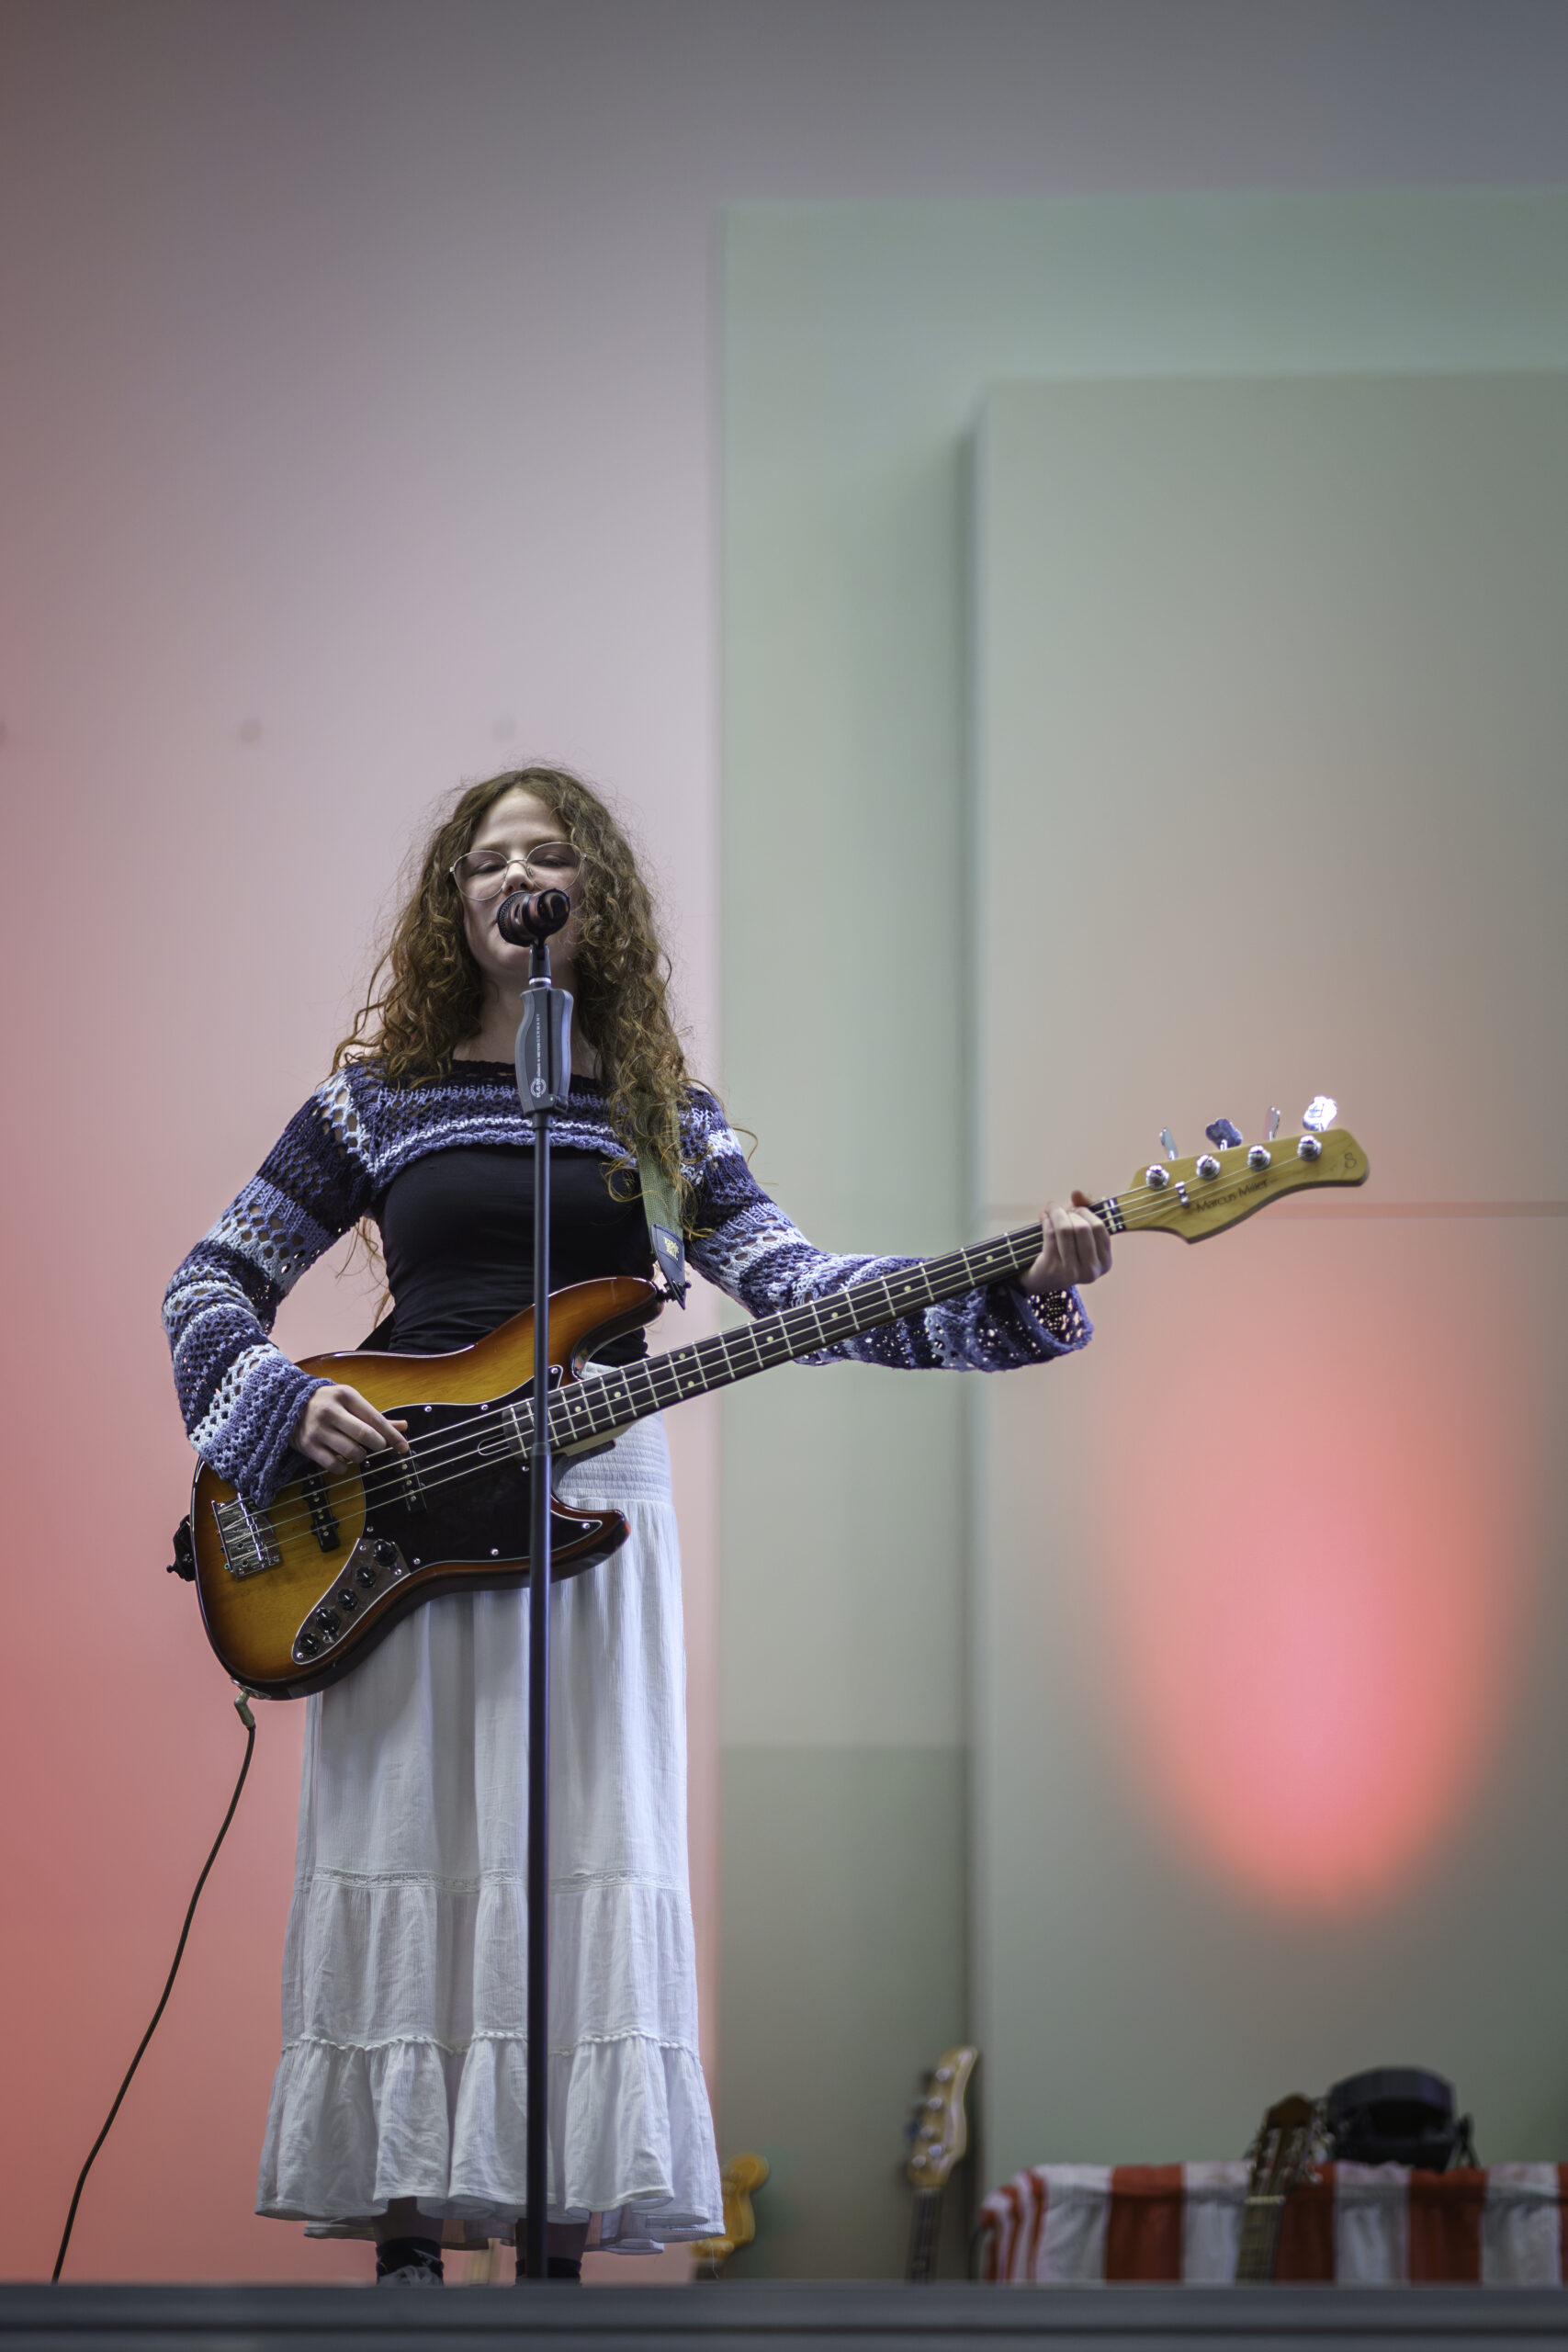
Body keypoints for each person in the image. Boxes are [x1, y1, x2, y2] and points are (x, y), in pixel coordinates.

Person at [163, 764, 1111, 2285]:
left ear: (590, 894)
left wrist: (1021, 1282)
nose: (512, 875)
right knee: (416, 1839)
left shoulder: (666, 1117)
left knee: (576, 1851)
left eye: (544, 853)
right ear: (454, 903)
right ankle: (407, 2255)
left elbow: (806, 1294)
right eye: (485, 858)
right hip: (396, 1517)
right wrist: (280, 1403)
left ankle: (555, 2266)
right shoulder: (375, 1102)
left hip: (593, 1502)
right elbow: (210, 1281)